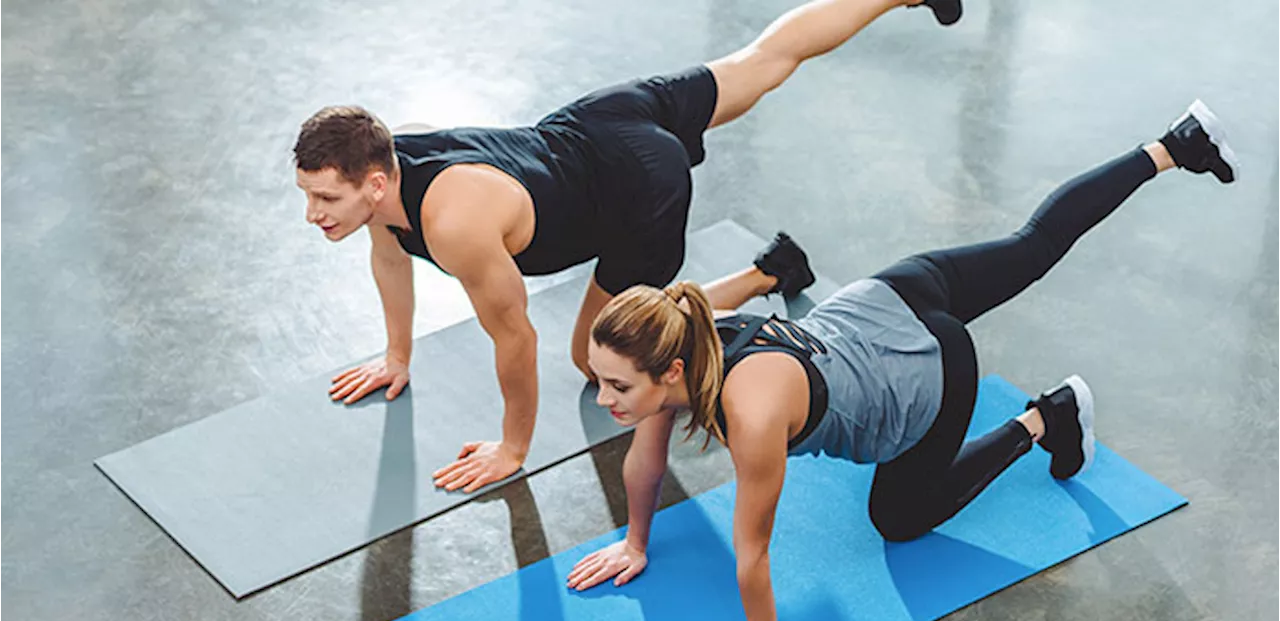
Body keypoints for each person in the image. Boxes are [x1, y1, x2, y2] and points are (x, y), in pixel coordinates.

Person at [568, 100, 1237, 621]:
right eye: (602, 382)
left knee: (897, 517)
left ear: (671, 372)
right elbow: (644, 464)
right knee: (1031, 244)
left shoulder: (751, 411)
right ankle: (1175, 146)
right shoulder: (679, 331)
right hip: (889, 296)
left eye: (617, 387)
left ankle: (1046, 418)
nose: (607, 400)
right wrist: (634, 541)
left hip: (930, 367)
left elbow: (752, 552)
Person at [291, 0, 964, 493]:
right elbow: (387, 253)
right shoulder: (394, 157)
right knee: (758, 63)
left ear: (374, 183)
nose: (313, 215)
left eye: (326, 199)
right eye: (310, 195)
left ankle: (764, 275)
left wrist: (513, 447)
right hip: (599, 121)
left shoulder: (455, 225)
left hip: (640, 194)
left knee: (596, 358)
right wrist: (396, 355)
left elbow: (516, 339)